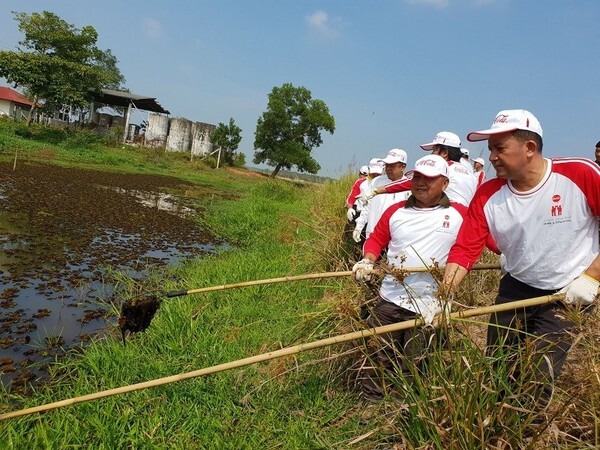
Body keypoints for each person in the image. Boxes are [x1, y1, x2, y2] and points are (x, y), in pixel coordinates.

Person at [441, 109, 600, 420]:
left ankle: (523, 432)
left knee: (538, 374)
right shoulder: (488, 194)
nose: (492, 158)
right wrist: (445, 297)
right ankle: (493, 424)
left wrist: (592, 277)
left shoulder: (580, 174)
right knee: (499, 366)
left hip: (568, 292)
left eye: (500, 148)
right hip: (516, 288)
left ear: (529, 148)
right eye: (490, 150)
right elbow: (464, 249)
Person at [352, 154, 467, 406]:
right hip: (390, 298)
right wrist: (368, 260)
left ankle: (405, 411)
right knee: (377, 353)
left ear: (445, 183)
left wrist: (508, 258)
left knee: (415, 363)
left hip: (428, 305)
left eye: (429, 178)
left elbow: (478, 243)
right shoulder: (396, 211)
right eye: (417, 177)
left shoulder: (459, 214)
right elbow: (377, 239)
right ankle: (370, 404)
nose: (420, 183)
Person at [352, 149, 411, 243]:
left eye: (392, 165)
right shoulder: (376, 182)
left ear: (402, 167)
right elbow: (367, 206)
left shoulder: (410, 189)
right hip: (373, 236)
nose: (388, 168)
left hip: (396, 239)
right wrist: (359, 226)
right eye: (387, 165)